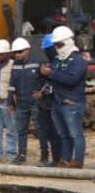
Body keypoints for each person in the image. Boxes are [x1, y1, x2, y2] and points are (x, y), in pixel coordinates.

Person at [41, 25, 87, 168]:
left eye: (60, 44)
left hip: (71, 102)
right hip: (58, 101)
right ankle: (65, 159)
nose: (57, 48)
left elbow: (71, 79)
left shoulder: (78, 60)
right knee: (64, 134)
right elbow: (54, 77)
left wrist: (50, 73)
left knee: (75, 134)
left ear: (68, 42)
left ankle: (78, 160)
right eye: (56, 45)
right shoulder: (58, 60)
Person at [8, 37, 42, 165]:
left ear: (27, 50)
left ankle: (44, 155)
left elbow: (44, 81)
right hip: (21, 103)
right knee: (21, 130)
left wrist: (41, 93)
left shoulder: (37, 62)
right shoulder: (15, 65)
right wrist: (10, 101)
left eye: (20, 51)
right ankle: (21, 155)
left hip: (35, 104)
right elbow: (12, 84)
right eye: (15, 52)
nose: (17, 54)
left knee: (41, 129)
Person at [35, 33, 62, 165]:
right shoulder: (45, 63)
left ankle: (62, 158)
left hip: (57, 101)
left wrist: (49, 73)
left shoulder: (61, 62)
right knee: (48, 130)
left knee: (58, 131)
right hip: (46, 101)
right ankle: (55, 158)